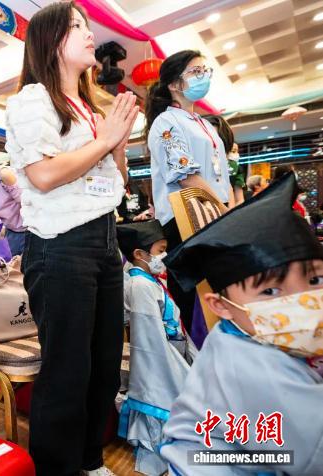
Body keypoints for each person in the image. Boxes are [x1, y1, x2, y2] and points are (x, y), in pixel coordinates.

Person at [5, 2, 139, 474]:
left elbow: (117, 181)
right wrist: (104, 141)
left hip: (104, 239)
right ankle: (58, 467)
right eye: (76, 26)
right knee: (67, 370)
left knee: (104, 363)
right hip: (61, 246)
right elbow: (42, 175)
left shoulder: (87, 106)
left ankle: (90, 459)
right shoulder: (32, 100)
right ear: (50, 41)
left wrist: (117, 143)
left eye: (87, 24)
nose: (89, 33)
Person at [160, 173, 323, 475]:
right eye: (270, 292)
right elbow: (314, 455)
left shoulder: (258, 331)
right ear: (221, 306)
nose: (301, 300)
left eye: (315, 280)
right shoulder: (252, 367)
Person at [145, 49, 232, 334]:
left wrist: (226, 208)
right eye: (195, 72)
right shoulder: (166, 122)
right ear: (173, 84)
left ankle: (216, 348)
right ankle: (193, 352)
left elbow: (220, 175)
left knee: (215, 291)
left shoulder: (204, 123)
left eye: (205, 71)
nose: (203, 76)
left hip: (212, 213)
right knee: (193, 298)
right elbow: (186, 175)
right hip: (186, 216)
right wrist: (223, 210)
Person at [116, 220, 196, 476]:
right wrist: (172, 368)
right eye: (160, 250)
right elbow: (148, 336)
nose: (165, 255)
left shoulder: (150, 280)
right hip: (160, 357)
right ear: (139, 254)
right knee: (164, 398)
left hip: (172, 349)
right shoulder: (140, 286)